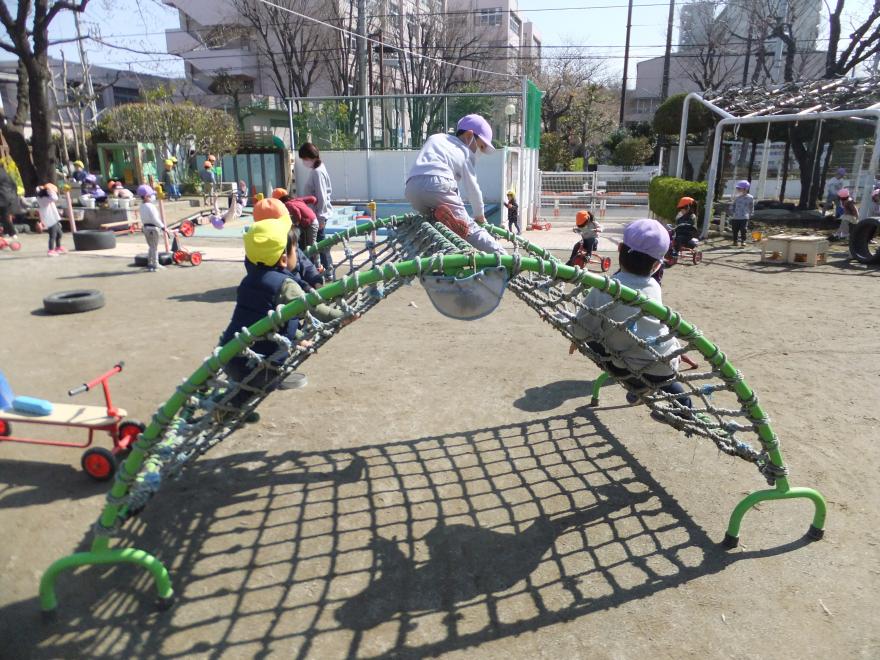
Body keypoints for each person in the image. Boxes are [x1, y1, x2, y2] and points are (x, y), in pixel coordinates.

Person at [567, 219, 693, 411]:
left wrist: (577, 338)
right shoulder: (654, 287)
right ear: (657, 266)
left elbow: (582, 326)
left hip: (629, 367)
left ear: (619, 249)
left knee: (595, 341)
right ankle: (685, 409)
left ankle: (639, 388)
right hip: (667, 364)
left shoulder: (605, 288)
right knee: (659, 367)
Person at [404, 114, 507, 255]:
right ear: (469, 135)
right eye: (481, 146)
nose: (480, 152)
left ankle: (434, 255)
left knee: (433, 226)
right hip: (439, 183)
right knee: (470, 228)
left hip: (411, 188)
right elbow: (473, 189)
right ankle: (500, 255)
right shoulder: (465, 153)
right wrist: (480, 216)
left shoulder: (436, 138)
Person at [298, 142, 336, 274]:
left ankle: (328, 271)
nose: (303, 162)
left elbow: (322, 196)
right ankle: (326, 270)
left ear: (309, 157)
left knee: (320, 245)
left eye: (303, 159)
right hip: (316, 215)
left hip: (317, 216)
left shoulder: (317, 172)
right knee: (320, 245)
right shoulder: (319, 169)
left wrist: (321, 217)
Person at [272, 188, 319, 259]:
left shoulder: (287, 204)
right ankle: (306, 259)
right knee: (305, 243)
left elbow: (296, 211)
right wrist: (314, 205)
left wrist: (297, 222)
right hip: (312, 220)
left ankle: (317, 266)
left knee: (312, 246)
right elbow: (312, 198)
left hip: (310, 224)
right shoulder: (297, 200)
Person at [138, 184, 166, 272]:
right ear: (146, 196)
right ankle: (155, 264)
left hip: (145, 228)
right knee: (154, 247)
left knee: (151, 246)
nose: (153, 197)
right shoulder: (151, 206)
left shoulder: (141, 206)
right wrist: (163, 227)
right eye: (150, 195)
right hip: (153, 228)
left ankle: (150, 262)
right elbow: (155, 219)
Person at [36, 183, 64, 256]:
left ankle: (58, 247)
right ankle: (51, 250)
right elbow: (55, 198)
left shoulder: (45, 197)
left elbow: (54, 198)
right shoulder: (42, 199)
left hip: (54, 219)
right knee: (53, 235)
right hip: (50, 220)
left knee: (59, 234)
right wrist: (50, 190)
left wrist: (49, 189)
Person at [728, 180, 754, 247]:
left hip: (744, 217)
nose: (738, 190)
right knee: (734, 230)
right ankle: (735, 241)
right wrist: (731, 211)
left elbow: (751, 206)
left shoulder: (750, 198)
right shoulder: (736, 197)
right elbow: (732, 205)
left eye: (740, 188)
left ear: (746, 189)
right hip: (735, 216)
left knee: (743, 229)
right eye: (738, 188)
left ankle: (743, 241)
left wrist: (751, 213)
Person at [0, 164, 19, 241]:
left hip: (4, 198)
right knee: (4, 216)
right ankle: (6, 231)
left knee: (5, 216)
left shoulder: (1, 173)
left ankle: (12, 232)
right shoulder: (4, 172)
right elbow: (14, 185)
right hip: (8, 197)